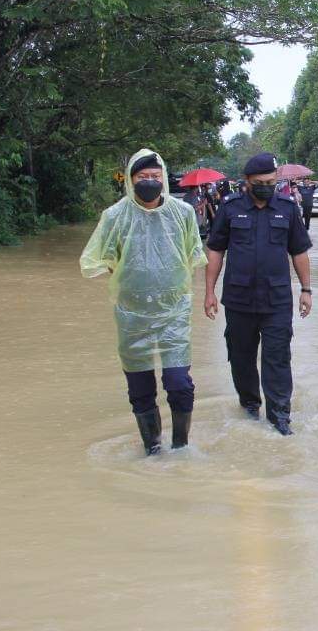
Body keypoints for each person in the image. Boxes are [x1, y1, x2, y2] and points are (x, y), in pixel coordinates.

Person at [80, 149, 206, 455]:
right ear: (130, 180)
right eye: (142, 177)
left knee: (179, 384)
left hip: (173, 312)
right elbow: (102, 258)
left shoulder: (183, 213)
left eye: (154, 176)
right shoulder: (114, 216)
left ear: (162, 177)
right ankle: (153, 450)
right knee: (140, 389)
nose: (149, 182)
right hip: (132, 315)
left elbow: (192, 254)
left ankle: (180, 447)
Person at [204, 153, 313, 435]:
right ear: (247, 182)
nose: (267, 186)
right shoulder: (230, 208)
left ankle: (279, 417)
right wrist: (209, 292)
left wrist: (306, 289)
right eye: (260, 182)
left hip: (276, 300)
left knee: (277, 358)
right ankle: (250, 406)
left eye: (271, 181)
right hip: (239, 300)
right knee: (241, 357)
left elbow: (299, 251)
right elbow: (215, 250)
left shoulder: (288, 209)